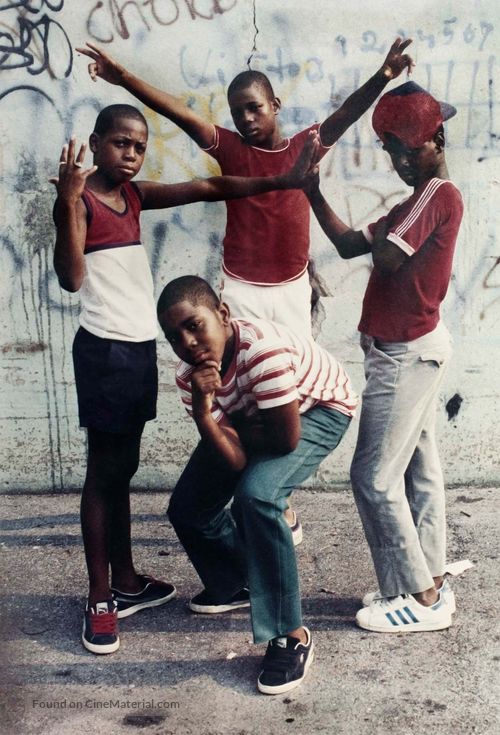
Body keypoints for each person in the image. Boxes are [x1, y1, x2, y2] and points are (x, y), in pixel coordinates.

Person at [76, 35, 413, 541]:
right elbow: (177, 112)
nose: (246, 120)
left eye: (254, 108)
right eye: (237, 112)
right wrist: (122, 78)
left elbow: (345, 114)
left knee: (289, 395)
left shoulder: (304, 146)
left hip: (292, 289)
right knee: (240, 392)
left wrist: (383, 77)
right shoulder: (229, 147)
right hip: (241, 291)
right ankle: (242, 488)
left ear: (274, 105)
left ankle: (278, 496)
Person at [50, 103, 319, 655]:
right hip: (103, 353)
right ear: (97, 143)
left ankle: (125, 581)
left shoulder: (133, 196)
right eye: (120, 143)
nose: (130, 154)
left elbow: (204, 186)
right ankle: (100, 599)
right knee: (103, 473)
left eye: (139, 146)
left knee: (121, 467)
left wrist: (284, 179)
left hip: (135, 353)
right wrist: (67, 202)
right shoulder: (80, 203)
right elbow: (72, 278)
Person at [304, 81, 464, 632]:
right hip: (406, 352)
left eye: (409, 148)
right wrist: (311, 191)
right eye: (392, 150)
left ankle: (418, 600)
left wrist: (389, 234)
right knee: (419, 469)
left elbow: (390, 259)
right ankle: (429, 580)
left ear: (438, 137)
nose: (400, 161)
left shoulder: (435, 195)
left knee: (372, 477)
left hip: (404, 356)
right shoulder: (411, 203)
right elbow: (353, 245)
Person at [156, 275, 358, 694]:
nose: (188, 343)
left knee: (258, 497)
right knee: (189, 508)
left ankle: (291, 635)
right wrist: (201, 411)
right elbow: (233, 458)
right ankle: (236, 581)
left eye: (194, 325)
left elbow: (285, 440)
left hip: (318, 408)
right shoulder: (189, 376)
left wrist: (236, 428)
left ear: (223, 315)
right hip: (260, 418)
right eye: (175, 337)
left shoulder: (260, 351)